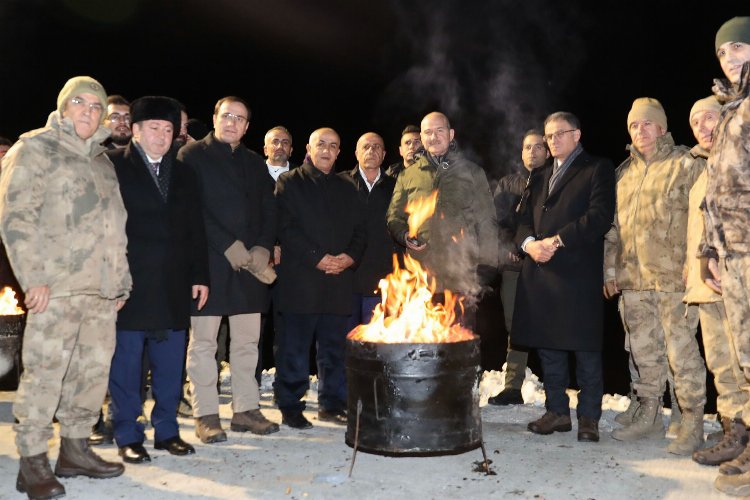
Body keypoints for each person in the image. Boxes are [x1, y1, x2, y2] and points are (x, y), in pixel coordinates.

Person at [0, 76, 131, 499]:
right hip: (54, 289)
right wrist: (31, 278)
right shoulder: (34, 149)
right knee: (44, 375)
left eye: (97, 106)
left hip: (101, 290)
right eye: (81, 103)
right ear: (63, 106)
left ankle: (75, 451)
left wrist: (121, 281)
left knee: (91, 374)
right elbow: (15, 217)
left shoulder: (103, 160)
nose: (89, 112)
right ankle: (32, 461)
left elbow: (117, 228)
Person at [107, 96, 210, 464]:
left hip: (173, 283)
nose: (162, 136)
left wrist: (200, 275)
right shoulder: (112, 166)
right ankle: (127, 433)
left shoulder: (183, 172)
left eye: (169, 130)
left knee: (170, 363)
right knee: (127, 364)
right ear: (135, 130)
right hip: (129, 283)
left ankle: (166, 430)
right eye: (154, 128)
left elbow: (196, 228)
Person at [604, 98, 705, 455]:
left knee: (681, 352)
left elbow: (704, 218)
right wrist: (611, 270)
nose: (640, 130)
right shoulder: (624, 173)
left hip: (675, 280)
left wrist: (698, 265)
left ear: (662, 127)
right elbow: (613, 230)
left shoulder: (685, 164)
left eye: (646, 124)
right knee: (643, 351)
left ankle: (690, 418)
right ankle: (649, 414)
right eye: (634, 125)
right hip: (634, 280)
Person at [178, 96, 279, 443]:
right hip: (208, 265)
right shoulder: (192, 156)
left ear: (247, 126)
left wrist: (263, 247)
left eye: (240, 118)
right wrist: (227, 245)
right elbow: (191, 209)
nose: (232, 122)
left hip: (250, 268)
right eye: (227, 116)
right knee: (205, 344)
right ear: (215, 117)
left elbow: (270, 209)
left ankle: (245, 410)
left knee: (247, 343)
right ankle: (206, 413)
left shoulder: (254, 163)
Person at [514, 111, 615, 443]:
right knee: (548, 347)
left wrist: (556, 241)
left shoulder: (596, 168)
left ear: (577, 134)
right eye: (549, 136)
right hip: (541, 270)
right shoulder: (539, 174)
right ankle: (557, 412)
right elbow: (524, 220)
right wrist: (530, 245)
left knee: (585, 348)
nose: (552, 140)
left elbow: (599, 216)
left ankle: (588, 417)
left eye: (559, 134)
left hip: (577, 271)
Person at [274, 127, 366, 429]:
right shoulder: (289, 182)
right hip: (301, 280)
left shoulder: (347, 186)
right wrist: (318, 257)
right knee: (295, 348)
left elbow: (360, 231)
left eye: (333, 146)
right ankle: (290, 405)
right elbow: (286, 229)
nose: (326, 150)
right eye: (321, 144)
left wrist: (349, 257)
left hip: (338, 282)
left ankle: (332, 404)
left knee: (333, 350)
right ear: (309, 148)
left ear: (339, 152)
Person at [386, 112, 498, 328]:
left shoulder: (472, 172)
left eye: (440, 130)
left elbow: (487, 220)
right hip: (421, 276)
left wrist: (487, 264)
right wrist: (404, 235)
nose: (434, 136)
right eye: (428, 132)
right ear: (422, 136)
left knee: (461, 344)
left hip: (461, 273)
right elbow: (393, 216)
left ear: (451, 134)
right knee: (425, 345)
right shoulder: (408, 175)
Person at [682, 96, 747, 468]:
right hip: (707, 285)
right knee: (722, 365)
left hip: (740, 280)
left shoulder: (741, 161)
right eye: (695, 123)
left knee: (745, 362)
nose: (702, 127)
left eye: (709, 117)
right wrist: (691, 268)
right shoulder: (705, 172)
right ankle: (734, 433)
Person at [701, 16, 750, 497]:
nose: (729, 59)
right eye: (722, 53)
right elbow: (719, 191)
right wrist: (710, 251)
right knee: (746, 355)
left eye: (739, 48)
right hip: (733, 254)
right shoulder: (733, 110)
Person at [488, 128, 549, 406]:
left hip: (546, 267)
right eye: (527, 147)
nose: (532, 152)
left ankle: (555, 386)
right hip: (513, 265)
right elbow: (495, 221)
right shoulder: (508, 183)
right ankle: (513, 385)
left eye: (538, 147)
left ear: (547, 152)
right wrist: (509, 249)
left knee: (551, 323)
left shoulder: (554, 181)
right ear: (521, 152)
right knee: (515, 324)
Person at [342, 132, 399, 330]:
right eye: (366, 146)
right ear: (356, 153)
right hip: (345, 280)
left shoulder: (396, 187)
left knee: (376, 348)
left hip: (381, 280)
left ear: (384, 155)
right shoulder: (340, 183)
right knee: (343, 345)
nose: (371, 151)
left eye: (376, 147)